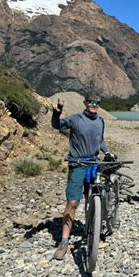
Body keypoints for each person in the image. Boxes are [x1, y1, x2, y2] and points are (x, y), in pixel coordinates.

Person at [51, 94, 116, 260]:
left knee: (92, 197)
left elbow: (100, 140)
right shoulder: (75, 119)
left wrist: (107, 152)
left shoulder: (101, 121)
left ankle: (91, 229)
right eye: (91, 102)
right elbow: (56, 125)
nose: (94, 104)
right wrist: (57, 113)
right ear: (85, 103)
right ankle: (64, 240)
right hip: (77, 164)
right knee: (73, 202)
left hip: (94, 165)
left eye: (97, 102)